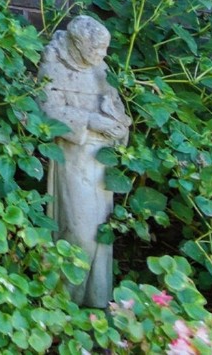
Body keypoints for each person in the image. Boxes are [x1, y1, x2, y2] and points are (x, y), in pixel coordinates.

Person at [41, 15, 131, 307]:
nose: (102, 56)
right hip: (74, 157)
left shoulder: (99, 67)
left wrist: (119, 126)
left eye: (104, 50)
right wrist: (91, 121)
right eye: (96, 50)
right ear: (78, 45)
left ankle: (94, 303)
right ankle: (63, 303)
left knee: (100, 235)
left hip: (101, 161)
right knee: (79, 233)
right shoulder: (54, 63)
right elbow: (48, 111)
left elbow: (115, 107)